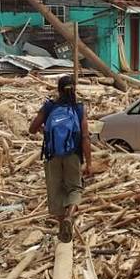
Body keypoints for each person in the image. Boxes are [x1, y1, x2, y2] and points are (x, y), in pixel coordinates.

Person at [29, 75, 92, 242]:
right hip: (73, 155)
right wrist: (89, 163)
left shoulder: (50, 107)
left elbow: (32, 128)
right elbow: (85, 137)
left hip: (52, 155)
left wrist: (46, 131)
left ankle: (61, 229)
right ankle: (69, 217)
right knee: (75, 188)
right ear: (75, 89)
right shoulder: (79, 109)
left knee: (55, 191)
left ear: (58, 89)